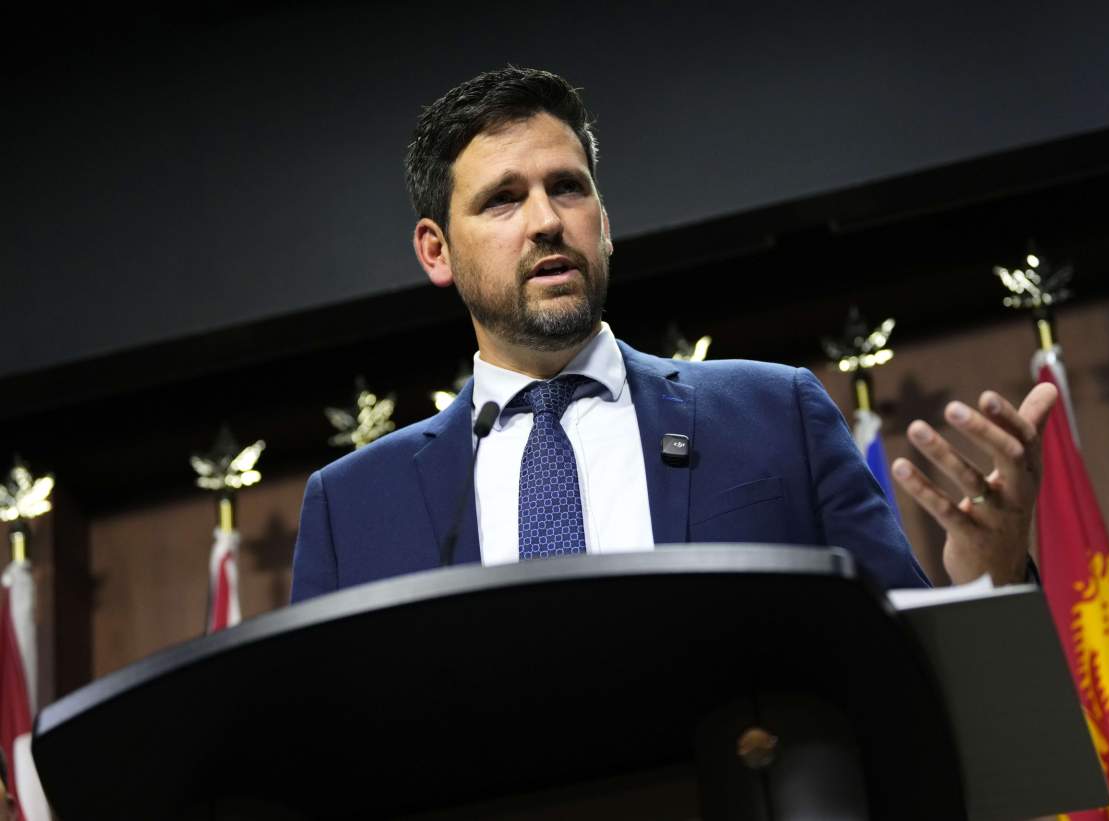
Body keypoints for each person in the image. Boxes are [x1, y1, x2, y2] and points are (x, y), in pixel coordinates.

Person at [290, 67, 1056, 603]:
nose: (547, 220)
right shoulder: (353, 506)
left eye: (567, 187)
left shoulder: (774, 413)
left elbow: (906, 674)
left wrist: (989, 575)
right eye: (502, 200)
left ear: (605, 222)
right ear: (435, 250)